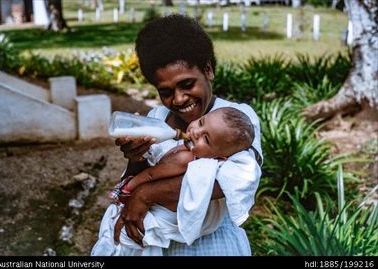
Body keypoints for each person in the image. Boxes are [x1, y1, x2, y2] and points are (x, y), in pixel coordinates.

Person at [112, 14, 262, 256]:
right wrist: (135, 158)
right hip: (155, 241)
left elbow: (230, 182)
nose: (179, 99)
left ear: (208, 70)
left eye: (187, 84)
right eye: (166, 91)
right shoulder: (157, 117)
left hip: (211, 244)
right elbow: (130, 181)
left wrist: (146, 195)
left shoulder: (238, 118)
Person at [91, 107, 255, 256]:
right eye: (201, 122)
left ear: (220, 157)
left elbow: (150, 175)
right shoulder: (168, 127)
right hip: (157, 219)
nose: (196, 132)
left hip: (166, 223)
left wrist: (128, 188)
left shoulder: (185, 157)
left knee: (124, 242)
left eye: (206, 139)